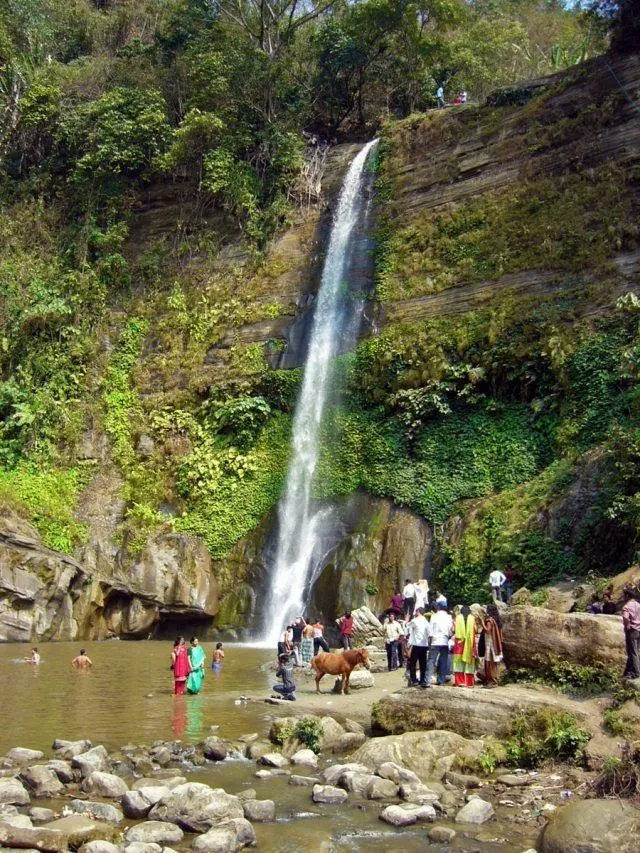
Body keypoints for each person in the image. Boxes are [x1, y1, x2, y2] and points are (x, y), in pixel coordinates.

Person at [427, 602, 453, 687]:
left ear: (438, 607)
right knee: (443, 661)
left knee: (431, 660)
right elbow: (450, 631)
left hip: (435, 641)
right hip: (444, 642)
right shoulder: (449, 617)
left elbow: (430, 631)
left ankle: (427, 680)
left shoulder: (434, 616)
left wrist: (429, 642)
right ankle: (441, 681)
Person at [452, 605, 477, 687]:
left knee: (458, 662)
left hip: (460, 642)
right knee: (469, 662)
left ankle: (460, 682)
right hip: (469, 643)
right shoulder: (472, 618)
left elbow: (453, 629)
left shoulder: (457, 618)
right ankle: (468, 682)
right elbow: (475, 629)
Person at [481, 604, 504, 687]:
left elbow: (487, 630)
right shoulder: (497, 620)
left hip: (491, 644)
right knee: (492, 663)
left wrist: (482, 623)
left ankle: (492, 681)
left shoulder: (490, 620)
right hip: (494, 644)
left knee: (490, 662)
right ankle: (491, 680)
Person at [406, 607, 430, 687]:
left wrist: (406, 621)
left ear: (418, 612)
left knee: (413, 662)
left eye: (416, 611)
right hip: (424, 645)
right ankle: (422, 680)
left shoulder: (415, 620)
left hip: (416, 644)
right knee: (423, 663)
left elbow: (407, 626)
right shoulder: (426, 622)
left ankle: (414, 679)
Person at [622, 588, 640, 680]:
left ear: (628, 596)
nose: (623, 597)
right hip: (638, 630)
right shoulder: (638, 605)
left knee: (632, 652)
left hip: (632, 631)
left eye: (624, 595)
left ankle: (636, 672)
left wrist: (627, 626)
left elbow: (625, 617)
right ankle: (628, 671)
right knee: (635, 651)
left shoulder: (627, 606)